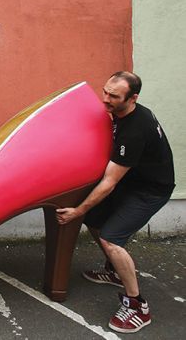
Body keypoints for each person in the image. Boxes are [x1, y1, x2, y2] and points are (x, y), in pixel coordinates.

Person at [57, 71, 174, 334]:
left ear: (133, 98)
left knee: (111, 238)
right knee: (95, 220)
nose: (106, 99)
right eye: (105, 92)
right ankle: (114, 270)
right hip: (132, 183)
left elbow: (110, 182)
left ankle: (136, 305)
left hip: (150, 191)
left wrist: (77, 209)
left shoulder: (135, 129)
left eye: (114, 96)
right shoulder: (124, 113)